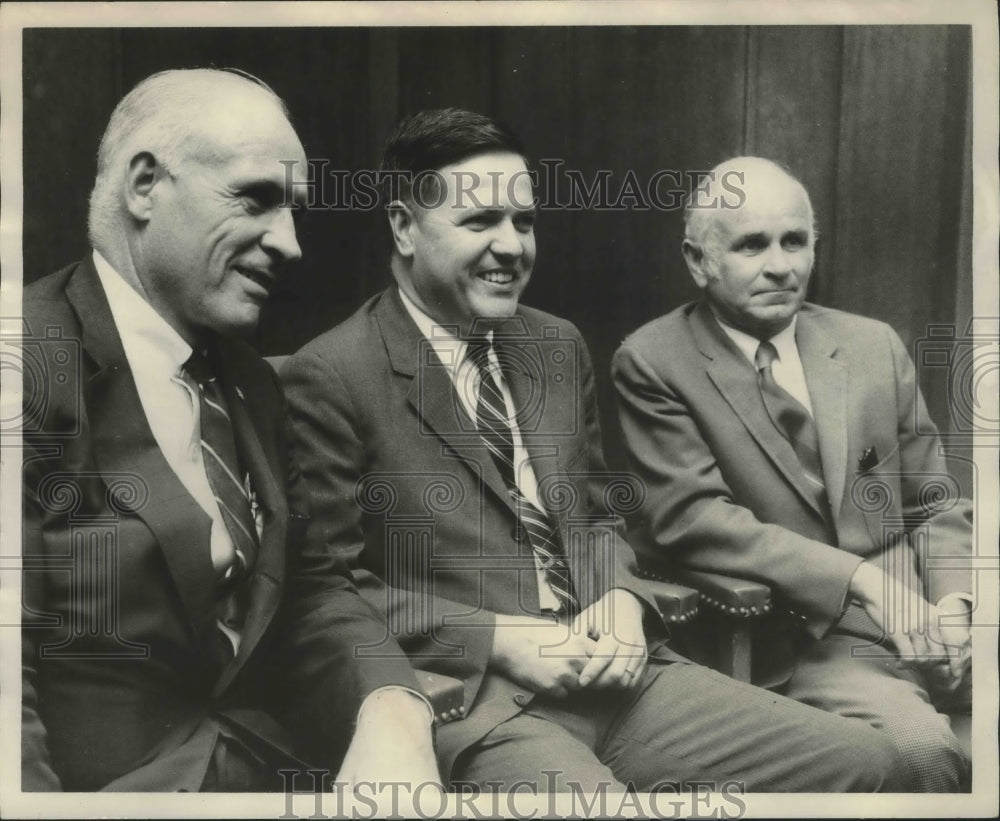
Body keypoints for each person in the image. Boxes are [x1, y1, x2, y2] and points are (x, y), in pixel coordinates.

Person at [282, 109, 909, 793]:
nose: (511, 246)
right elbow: (326, 594)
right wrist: (499, 637)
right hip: (480, 701)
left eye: (523, 222)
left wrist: (620, 600)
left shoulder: (554, 344)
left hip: (620, 676)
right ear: (403, 227)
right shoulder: (332, 373)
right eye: (479, 221)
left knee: (873, 765)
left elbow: (595, 522)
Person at [21, 68, 440, 792]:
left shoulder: (252, 382)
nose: (290, 244)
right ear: (144, 185)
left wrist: (392, 707)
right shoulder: (22, 363)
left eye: (296, 212)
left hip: (269, 764)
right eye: (256, 199)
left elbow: (312, 586)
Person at [612, 156, 973, 792]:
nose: (781, 265)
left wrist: (955, 606)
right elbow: (693, 520)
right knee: (924, 757)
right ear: (699, 261)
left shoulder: (871, 344)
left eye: (795, 241)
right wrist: (858, 580)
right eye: (752, 245)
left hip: (927, 613)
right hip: (807, 637)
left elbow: (934, 502)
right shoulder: (653, 362)